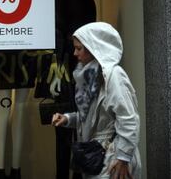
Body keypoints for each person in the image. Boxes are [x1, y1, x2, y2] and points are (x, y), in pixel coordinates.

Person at [52, 22, 141, 179]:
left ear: (94, 48)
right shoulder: (89, 77)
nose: (74, 53)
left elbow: (128, 118)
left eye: (79, 48)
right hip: (97, 157)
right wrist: (67, 119)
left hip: (114, 158)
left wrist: (123, 158)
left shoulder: (113, 75)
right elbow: (91, 118)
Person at [45, 0, 96, 179]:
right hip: (56, 64)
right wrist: (53, 68)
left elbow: (90, 38)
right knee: (61, 124)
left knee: (82, 123)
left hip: (79, 67)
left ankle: (78, 174)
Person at [0, 50, 36, 179]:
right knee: (5, 108)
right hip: (3, 46)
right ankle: (1, 170)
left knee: (17, 108)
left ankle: (12, 170)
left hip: (27, 48)